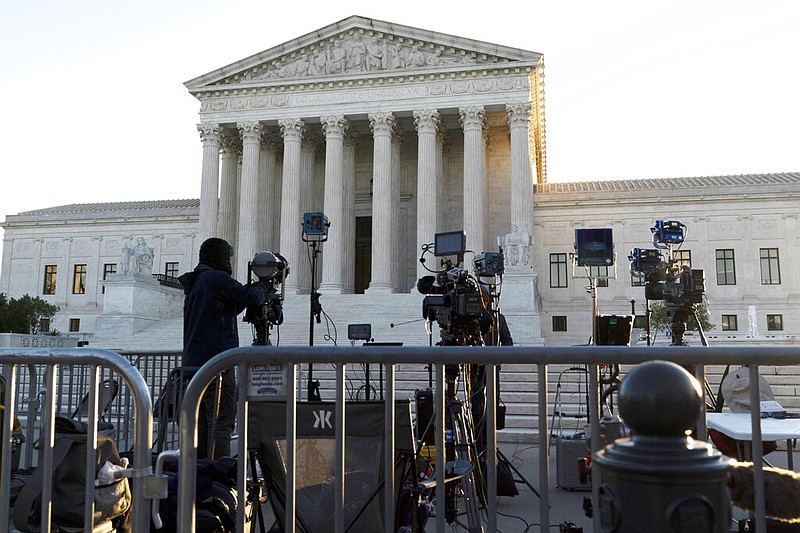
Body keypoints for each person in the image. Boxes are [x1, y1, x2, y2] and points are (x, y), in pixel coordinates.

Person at [179, 237, 269, 459]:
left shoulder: (197, 282)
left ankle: (199, 475)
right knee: (222, 421)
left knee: (201, 424)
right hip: (216, 364)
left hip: (194, 364)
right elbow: (250, 296)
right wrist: (264, 286)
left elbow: (219, 312)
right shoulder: (215, 279)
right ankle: (218, 473)